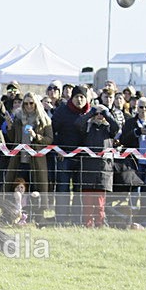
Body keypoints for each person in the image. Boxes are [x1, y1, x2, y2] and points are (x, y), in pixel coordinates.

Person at [4, 92, 52, 223]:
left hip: (36, 160)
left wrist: (36, 136)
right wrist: (9, 126)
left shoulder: (44, 120)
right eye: (26, 103)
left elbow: (49, 139)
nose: (29, 106)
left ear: (36, 104)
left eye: (31, 103)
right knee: (18, 189)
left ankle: (38, 217)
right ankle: (16, 216)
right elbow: (13, 138)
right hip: (20, 159)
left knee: (37, 189)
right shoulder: (19, 118)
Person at [52, 85, 90, 224]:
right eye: (76, 97)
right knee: (63, 188)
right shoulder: (62, 111)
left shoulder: (90, 113)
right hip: (64, 155)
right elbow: (52, 131)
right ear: (71, 98)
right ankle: (61, 218)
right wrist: (58, 149)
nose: (79, 100)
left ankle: (76, 219)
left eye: (82, 97)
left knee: (79, 189)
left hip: (83, 158)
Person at [76, 104, 118, 227]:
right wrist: (91, 113)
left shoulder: (109, 130)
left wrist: (107, 114)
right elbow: (78, 124)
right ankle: (87, 224)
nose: (99, 116)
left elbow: (117, 127)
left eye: (102, 114)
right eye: (97, 114)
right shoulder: (88, 127)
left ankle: (100, 224)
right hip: (88, 169)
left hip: (103, 170)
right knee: (87, 202)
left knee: (100, 203)